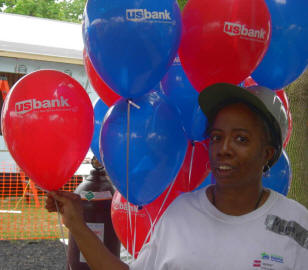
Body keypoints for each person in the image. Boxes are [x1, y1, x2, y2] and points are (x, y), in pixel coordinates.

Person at [45, 83, 308, 270]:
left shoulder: (297, 224)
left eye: (241, 138)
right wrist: (77, 225)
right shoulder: (180, 213)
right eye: (217, 137)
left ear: (267, 153)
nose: (224, 149)